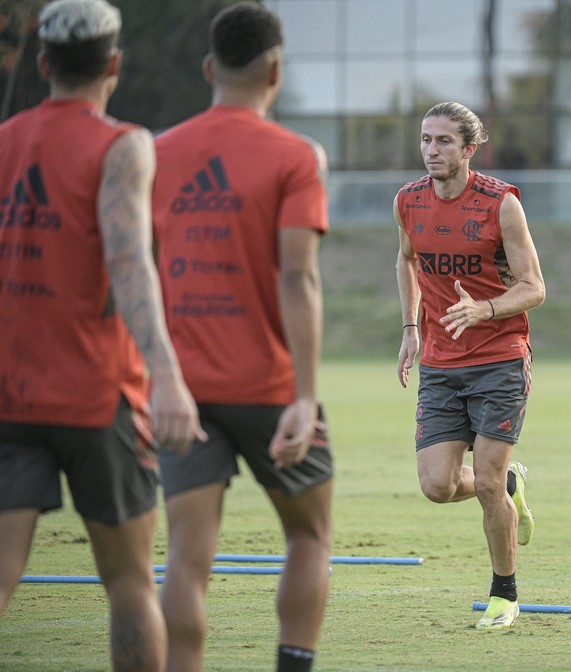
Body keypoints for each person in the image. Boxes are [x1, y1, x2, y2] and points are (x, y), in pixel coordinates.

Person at [0, 1, 205, 670]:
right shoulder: (123, 144)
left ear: (42, 64)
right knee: (126, 584)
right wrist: (169, 376)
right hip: (97, 395)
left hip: (9, 394)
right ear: (114, 64)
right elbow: (127, 261)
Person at [150, 3, 332, 671]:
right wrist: (306, 397)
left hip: (183, 392)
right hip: (272, 386)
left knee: (187, 560)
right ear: (276, 71)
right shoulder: (295, 155)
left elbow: (134, 274)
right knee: (310, 536)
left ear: (208, 68)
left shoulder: (156, 153)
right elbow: (299, 280)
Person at [394, 101, 546, 630]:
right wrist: (411, 328)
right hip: (439, 361)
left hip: (500, 358)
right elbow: (407, 258)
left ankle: (505, 594)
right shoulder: (408, 202)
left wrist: (484, 308)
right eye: (425, 140)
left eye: (443, 142)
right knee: (437, 485)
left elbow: (534, 287)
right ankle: (508, 485)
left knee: (483, 478)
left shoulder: (501, 204)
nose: (431, 150)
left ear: (469, 148)